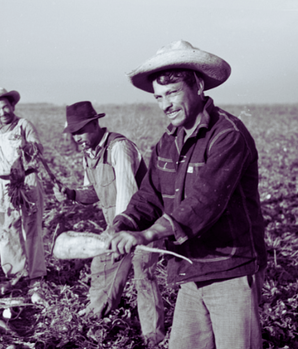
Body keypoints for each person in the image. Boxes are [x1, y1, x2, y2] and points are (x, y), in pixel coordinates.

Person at [108, 40, 267, 349]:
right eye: (158, 97)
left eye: (172, 93)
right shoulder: (167, 142)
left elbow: (205, 202)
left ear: (198, 87)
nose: (164, 105)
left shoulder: (228, 135)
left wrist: (148, 234)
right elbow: (149, 195)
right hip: (190, 271)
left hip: (230, 271)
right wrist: (123, 223)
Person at [53, 101, 165, 346]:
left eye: (80, 130)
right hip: (115, 231)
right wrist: (72, 194)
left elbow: (128, 195)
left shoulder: (118, 148)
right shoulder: (89, 155)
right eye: (73, 133)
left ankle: (154, 340)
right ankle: (95, 320)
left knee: (143, 276)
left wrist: (117, 231)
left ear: (95, 124)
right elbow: (92, 192)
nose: (77, 138)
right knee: (101, 268)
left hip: (142, 226)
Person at [0, 87, 46, 287]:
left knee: (31, 226)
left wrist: (28, 146)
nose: (2, 113)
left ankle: (36, 275)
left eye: (5, 107)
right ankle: (15, 273)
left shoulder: (23, 125)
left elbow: (38, 149)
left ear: (12, 106)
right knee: (7, 229)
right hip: (5, 185)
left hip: (27, 182)